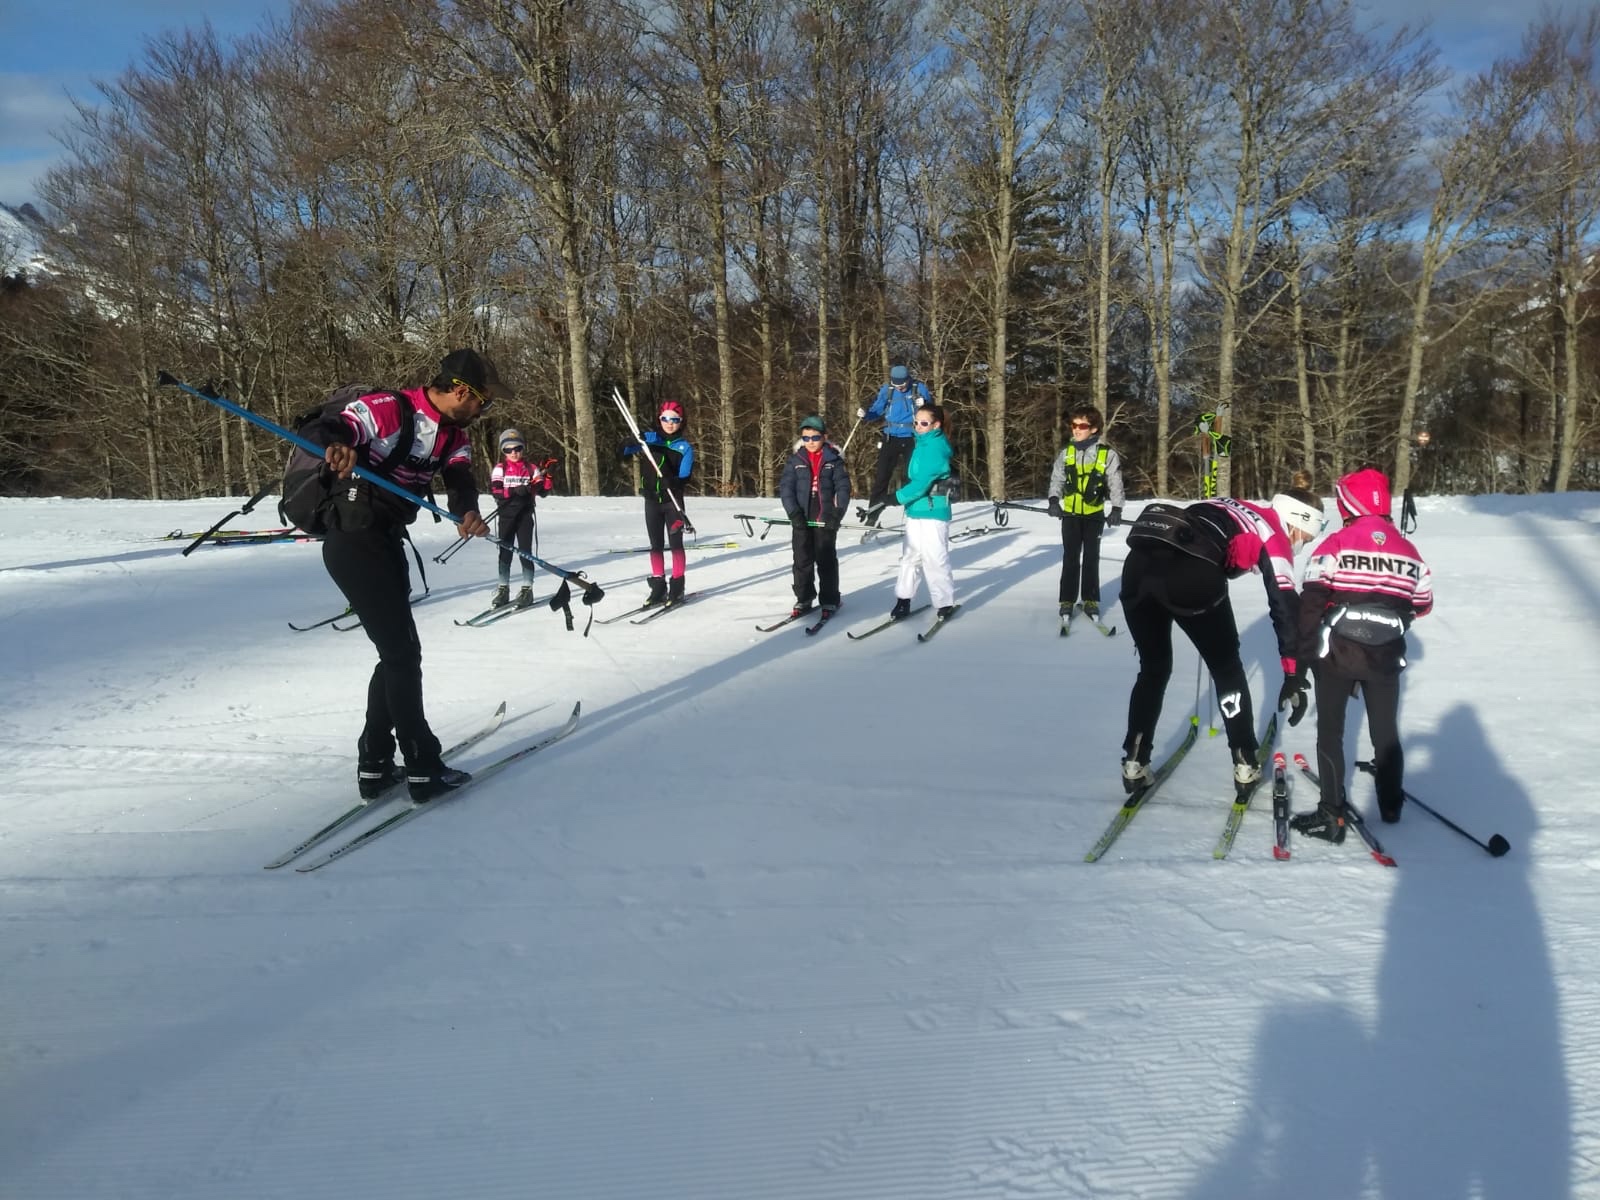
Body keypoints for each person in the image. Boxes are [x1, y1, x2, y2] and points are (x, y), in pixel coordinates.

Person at [312, 348, 503, 802]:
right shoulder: (391, 409)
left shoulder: (454, 436)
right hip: (353, 542)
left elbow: (459, 480)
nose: (484, 410)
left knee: (398, 654)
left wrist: (468, 511)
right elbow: (327, 427)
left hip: (387, 540)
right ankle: (422, 765)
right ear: (462, 391)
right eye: (484, 401)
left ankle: (375, 763)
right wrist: (337, 445)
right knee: (401, 656)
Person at [1118, 485, 1326, 795]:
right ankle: (1245, 762)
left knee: (1153, 669)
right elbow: (1284, 605)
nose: (1302, 545)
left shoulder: (1233, 505)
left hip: (1137, 569)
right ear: (1297, 522)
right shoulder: (1273, 534)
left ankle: (1135, 760)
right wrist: (1293, 672)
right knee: (1227, 669)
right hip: (1192, 576)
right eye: (1306, 539)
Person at [1289, 467, 1434, 843]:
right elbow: (1423, 603)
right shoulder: (1409, 550)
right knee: (1385, 732)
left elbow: (1311, 602)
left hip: (1337, 653)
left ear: (1348, 503)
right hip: (1386, 656)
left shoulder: (1336, 543)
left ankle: (1331, 814)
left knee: (1330, 731)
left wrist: (1302, 660)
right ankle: (1391, 804)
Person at [1046, 404, 1126, 619]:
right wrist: (1053, 501)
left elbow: (1115, 482)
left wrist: (1116, 508)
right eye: (1074, 425)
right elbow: (1057, 478)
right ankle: (1067, 600)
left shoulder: (1107, 454)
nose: (1076, 429)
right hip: (1070, 515)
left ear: (1094, 429)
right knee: (1070, 557)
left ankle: (1090, 599)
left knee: (1091, 557)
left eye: (1082, 426)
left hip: (1094, 515)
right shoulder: (1067, 453)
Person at [885, 403, 957, 621]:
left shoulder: (936, 447)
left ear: (936, 425)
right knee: (910, 557)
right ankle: (903, 599)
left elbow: (921, 484)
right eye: (915, 422)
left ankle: (944, 603)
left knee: (934, 557)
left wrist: (895, 498)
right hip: (916, 509)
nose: (918, 426)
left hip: (933, 510)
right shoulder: (922, 443)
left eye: (924, 423)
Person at [620, 398, 694, 605]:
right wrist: (628, 443)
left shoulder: (684, 447)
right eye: (665, 419)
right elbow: (624, 454)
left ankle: (677, 586)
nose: (670, 423)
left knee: (676, 544)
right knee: (656, 545)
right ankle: (658, 586)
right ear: (659, 419)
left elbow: (685, 476)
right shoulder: (650, 439)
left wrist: (673, 481)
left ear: (681, 421)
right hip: (652, 501)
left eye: (675, 419)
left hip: (672, 502)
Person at [778, 414, 851, 619]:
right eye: (806, 438)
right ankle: (804, 597)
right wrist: (793, 513)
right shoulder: (796, 460)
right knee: (802, 560)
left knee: (826, 560)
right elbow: (786, 489)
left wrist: (837, 514)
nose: (810, 442)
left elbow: (843, 488)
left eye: (815, 437)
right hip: (802, 516)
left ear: (824, 437)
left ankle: (830, 599)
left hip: (825, 516)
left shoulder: (833, 460)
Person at [857, 363, 933, 525]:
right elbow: (877, 410)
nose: (899, 387)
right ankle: (873, 515)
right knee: (882, 477)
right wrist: (866, 415)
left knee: (913, 476)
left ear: (908, 379)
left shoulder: (919, 388)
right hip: (890, 437)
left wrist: (925, 404)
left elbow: (932, 413)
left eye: (902, 384)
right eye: (896, 384)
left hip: (912, 437)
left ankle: (914, 513)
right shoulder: (887, 390)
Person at [488, 428, 552, 609]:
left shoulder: (531, 468)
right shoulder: (500, 468)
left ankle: (527, 589)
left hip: (524, 516)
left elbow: (543, 490)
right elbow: (496, 491)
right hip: (506, 516)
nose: (513, 452)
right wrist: (515, 490)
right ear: (503, 451)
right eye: (508, 449)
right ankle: (503, 589)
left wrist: (547, 477)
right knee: (505, 552)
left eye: (517, 448)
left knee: (525, 552)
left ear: (523, 448)